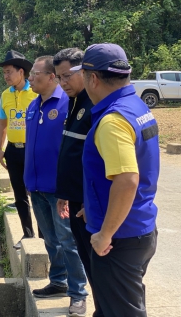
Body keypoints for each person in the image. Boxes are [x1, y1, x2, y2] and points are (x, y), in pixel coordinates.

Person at [72, 43, 159, 317]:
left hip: (119, 239)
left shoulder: (113, 121)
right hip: (138, 228)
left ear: (93, 79)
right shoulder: (136, 106)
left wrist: (104, 233)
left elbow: (127, 180)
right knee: (113, 307)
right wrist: (96, 205)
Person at [24, 56, 88, 317]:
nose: (30, 78)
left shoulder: (67, 105)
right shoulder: (32, 106)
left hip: (59, 189)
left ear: (52, 77)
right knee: (49, 237)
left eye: (34, 74)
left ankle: (78, 293)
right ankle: (58, 280)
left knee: (68, 240)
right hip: (36, 185)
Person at [53, 48, 102, 316]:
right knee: (87, 258)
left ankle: (100, 307)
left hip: (89, 205)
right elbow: (71, 152)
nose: (63, 83)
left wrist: (90, 201)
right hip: (74, 198)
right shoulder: (73, 102)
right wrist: (64, 193)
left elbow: (102, 164)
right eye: (59, 77)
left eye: (67, 76)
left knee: (99, 266)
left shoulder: (94, 106)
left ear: (84, 71)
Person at [0, 50, 38, 249]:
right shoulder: (5, 95)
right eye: (4, 73)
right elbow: (3, 123)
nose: (6, 76)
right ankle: (28, 234)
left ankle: (46, 237)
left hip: (33, 151)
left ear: (22, 72)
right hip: (13, 150)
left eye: (9, 72)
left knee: (38, 193)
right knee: (19, 195)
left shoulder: (36, 92)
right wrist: (0, 149)